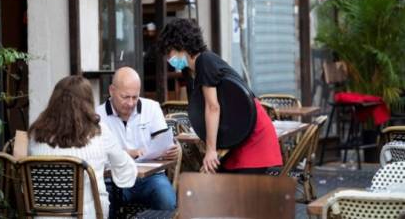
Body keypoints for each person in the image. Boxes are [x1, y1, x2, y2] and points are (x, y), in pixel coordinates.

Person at [157, 18, 283, 174]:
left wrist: (210, 150)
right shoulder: (189, 71)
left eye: (169, 53)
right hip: (235, 135)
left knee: (235, 193)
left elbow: (212, 107)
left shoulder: (204, 61)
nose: (169, 59)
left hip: (252, 133)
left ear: (181, 45)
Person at [28, 75, 137, 219]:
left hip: (41, 216)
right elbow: (125, 174)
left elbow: (27, 185)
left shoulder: (36, 133)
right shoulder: (99, 132)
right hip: (89, 215)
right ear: (88, 102)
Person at [96, 67, 178, 212]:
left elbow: (163, 141)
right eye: (125, 97)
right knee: (104, 206)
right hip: (115, 178)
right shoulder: (98, 115)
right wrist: (128, 153)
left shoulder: (151, 108)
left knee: (168, 202)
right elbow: (97, 155)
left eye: (135, 97)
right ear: (111, 91)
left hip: (151, 178)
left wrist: (171, 150)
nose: (131, 103)